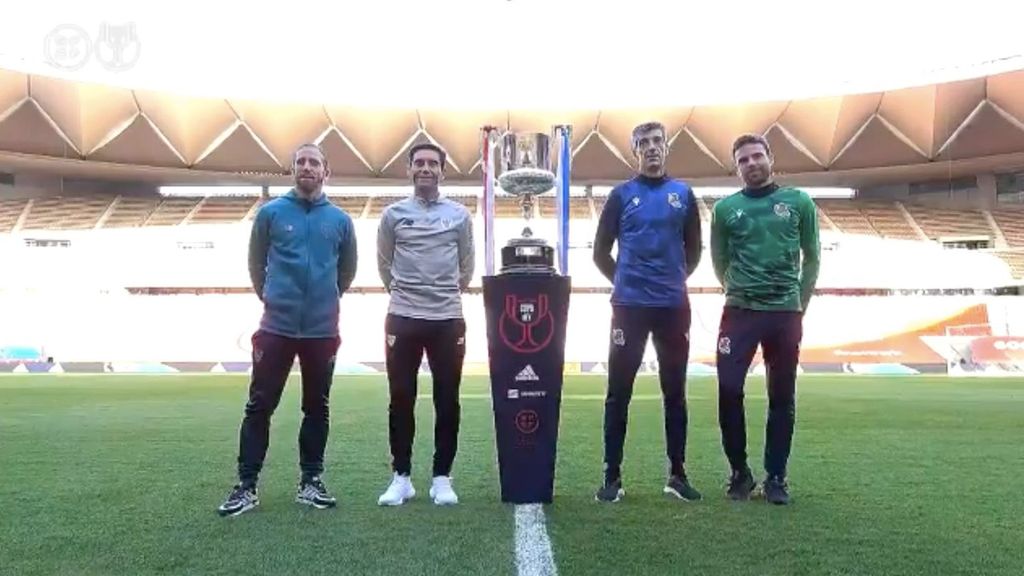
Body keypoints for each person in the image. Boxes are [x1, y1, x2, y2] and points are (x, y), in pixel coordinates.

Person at [217, 143, 358, 517]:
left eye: (314, 162)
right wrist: (274, 298)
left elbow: (347, 272)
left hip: (322, 330)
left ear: (326, 171)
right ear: (292, 169)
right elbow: (255, 263)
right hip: (276, 327)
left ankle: (310, 483)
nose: (307, 167)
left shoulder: (341, 221)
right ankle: (246, 487)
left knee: (317, 408)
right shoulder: (271, 213)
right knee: (260, 406)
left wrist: (325, 299)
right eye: (301, 162)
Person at [592, 121, 703, 503]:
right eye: (643, 143)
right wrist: (627, 281)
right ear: (634, 151)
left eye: (657, 141)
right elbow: (600, 253)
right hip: (629, 308)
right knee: (617, 394)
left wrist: (670, 280)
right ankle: (612, 475)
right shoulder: (621, 195)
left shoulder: (683, 195)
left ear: (666, 147)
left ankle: (677, 473)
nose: (651, 148)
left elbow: (694, 252)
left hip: (673, 308)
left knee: (675, 393)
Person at [709, 133, 821, 505]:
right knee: (728, 391)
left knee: (782, 396)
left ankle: (776, 477)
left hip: (785, 313)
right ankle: (739, 472)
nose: (751, 163)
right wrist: (739, 291)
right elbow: (720, 261)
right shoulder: (725, 210)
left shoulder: (799, 202)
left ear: (771, 158)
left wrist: (798, 303)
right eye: (743, 160)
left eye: (757, 156)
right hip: (739, 312)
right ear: (736, 167)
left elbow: (813, 257)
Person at [375, 142, 475, 507]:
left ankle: (441, 478)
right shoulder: (392, 215)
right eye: (419, 163)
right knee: (401, 398)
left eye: (433, 163)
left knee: (447, 399)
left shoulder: (460, 216)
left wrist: (441, 294)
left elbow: (466, 268)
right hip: (403, 315)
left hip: (448, 318)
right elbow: (385, 265)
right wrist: (409, 295)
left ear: (442, 171)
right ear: (409, 169)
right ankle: (401, 477)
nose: (426, 168)